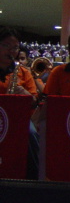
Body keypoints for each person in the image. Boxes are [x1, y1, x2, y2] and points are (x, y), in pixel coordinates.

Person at [0, 28, 40, 179]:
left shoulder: (23, 72)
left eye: (15, 47)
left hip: (18, 119)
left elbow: (34, 101)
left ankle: (34, 178)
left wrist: (25, 93)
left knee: (31, 133)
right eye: (6, 45)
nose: (11, 51)